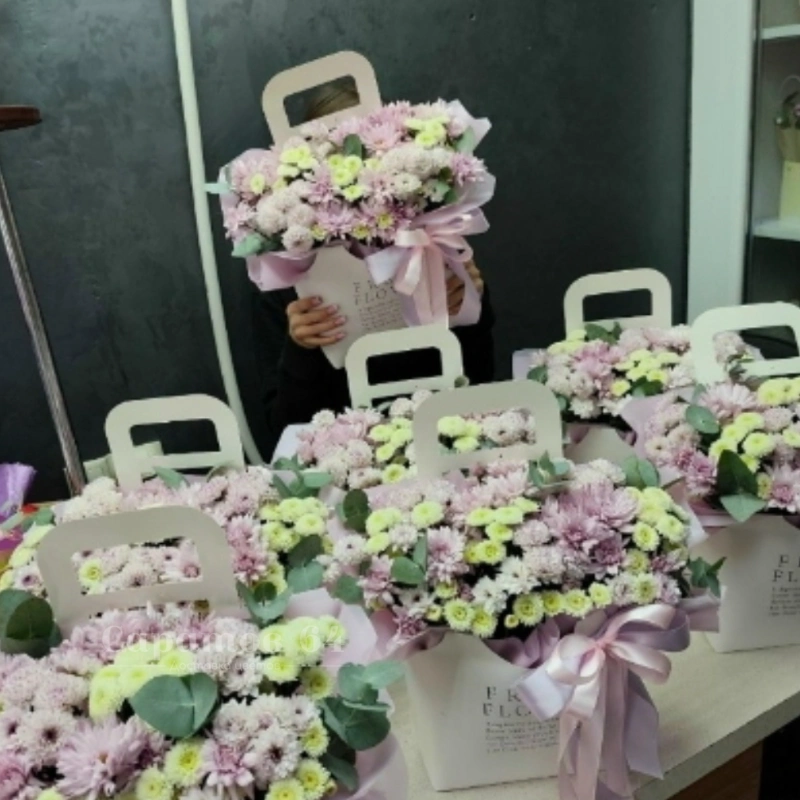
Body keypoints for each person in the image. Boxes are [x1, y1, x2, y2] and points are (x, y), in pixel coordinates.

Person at [255, 82, 496, 455]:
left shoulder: (428, 244)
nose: (353, 174)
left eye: (365, 155)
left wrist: (471, 308)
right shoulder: (286, 274)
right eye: (337, 159)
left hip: (443, 443)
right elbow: (284, 430)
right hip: (344, 457)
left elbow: (479, 382)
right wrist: (301, 347)